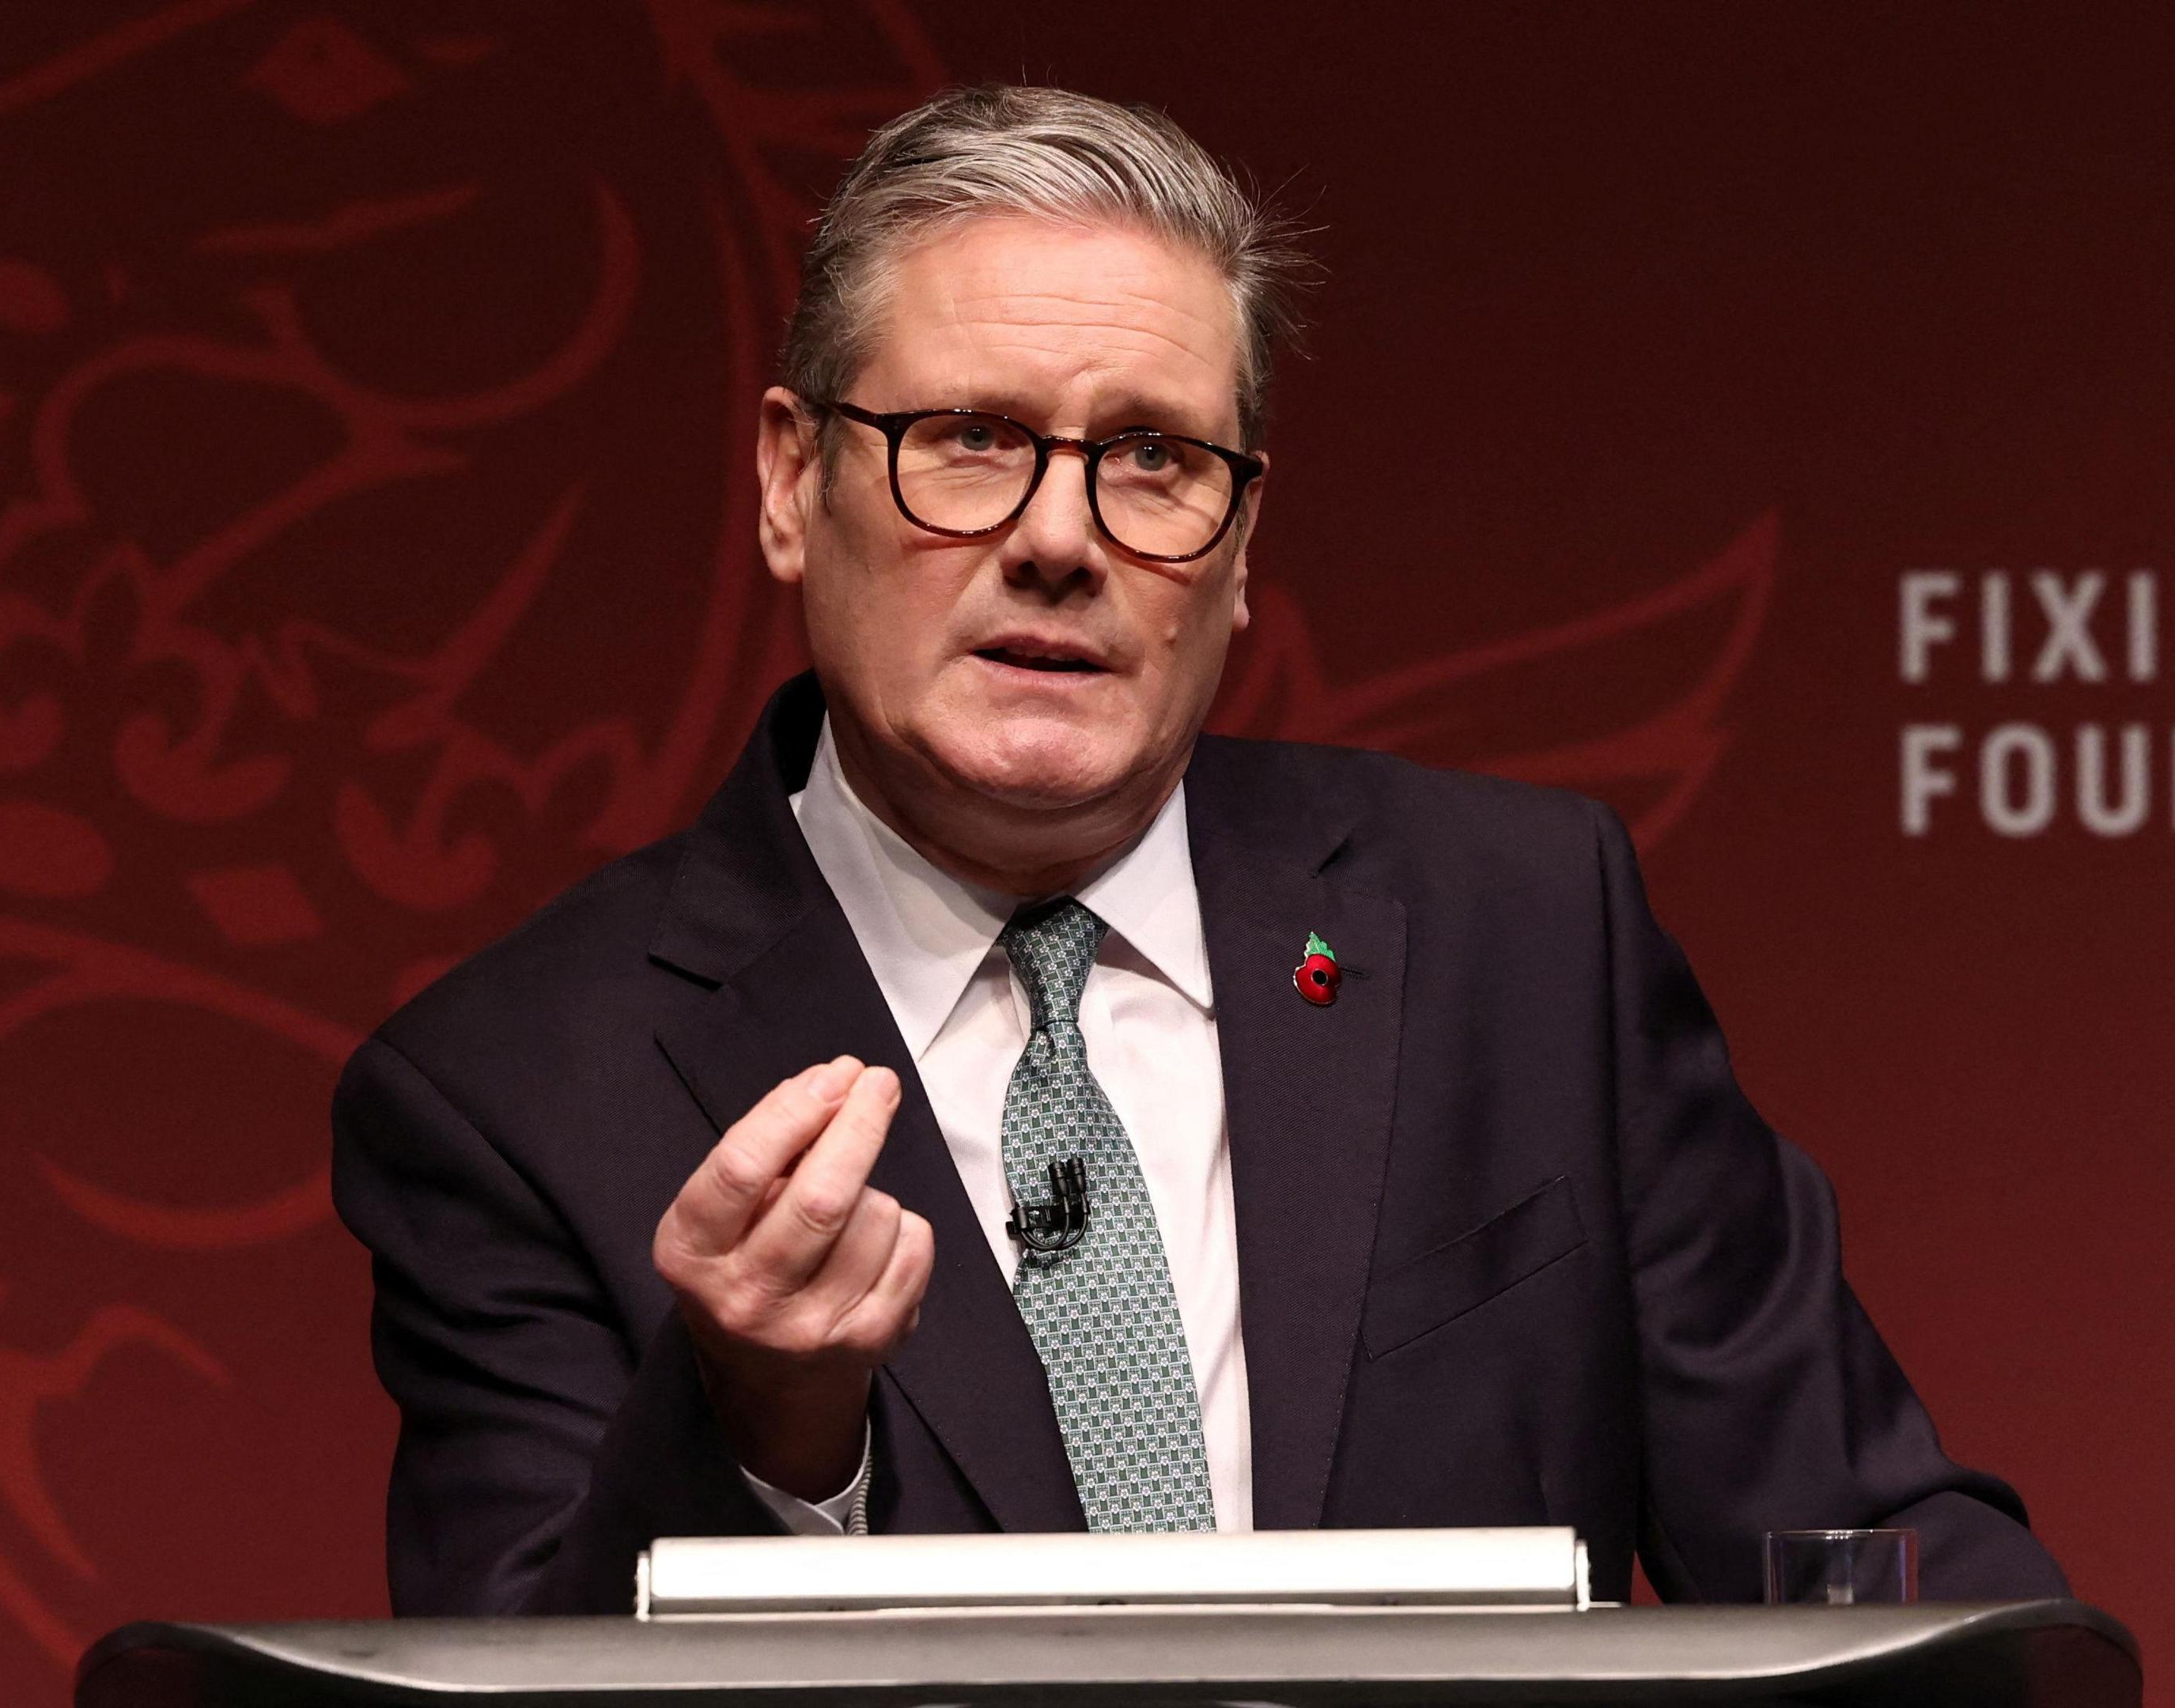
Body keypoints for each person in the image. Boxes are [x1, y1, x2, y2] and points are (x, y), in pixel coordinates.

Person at [331, 84, 2067, 1615]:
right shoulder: (513, 1095)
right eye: (973, 442)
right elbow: (514, 1679)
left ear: (1240, 546)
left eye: (1153, 460)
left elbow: (1861, 1550)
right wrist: (758, 1433)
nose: (1060, 539)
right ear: (794, 483)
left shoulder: (1522, 936)